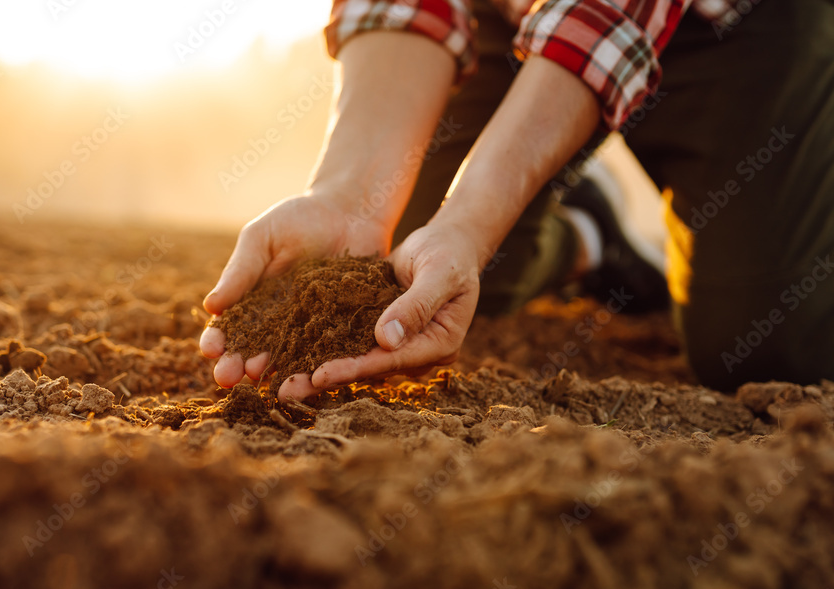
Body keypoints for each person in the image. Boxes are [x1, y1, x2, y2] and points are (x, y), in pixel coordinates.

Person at [200, 0, 834, 401]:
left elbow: (601, 25)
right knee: (406, 261)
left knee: (765, 346)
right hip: (513, 14)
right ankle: (591, 235)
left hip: (731, 29)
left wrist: (473, 221)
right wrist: (349, 195)